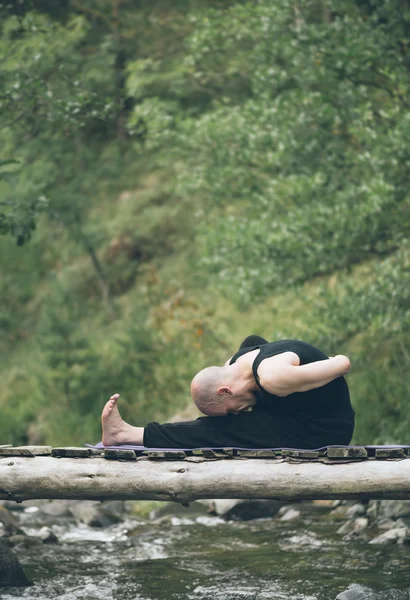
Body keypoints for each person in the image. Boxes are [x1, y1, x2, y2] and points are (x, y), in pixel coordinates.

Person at [101, 336, 355, 449]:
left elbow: (343, 364)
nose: (238, 413)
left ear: (225, 390)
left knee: (219, 431)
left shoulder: (273, 377)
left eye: (231, 409)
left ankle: (126, 434)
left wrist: (329, 359)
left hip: (325, 430)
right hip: (298, 410)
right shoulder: (238, 360)